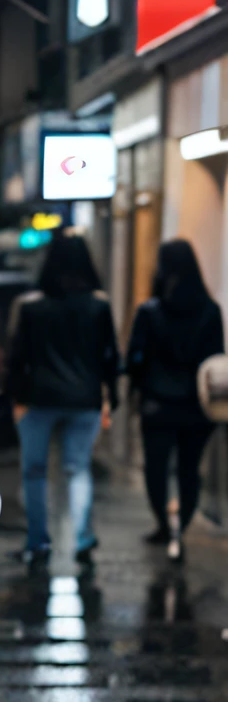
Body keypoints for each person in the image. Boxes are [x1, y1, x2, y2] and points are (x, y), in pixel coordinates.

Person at [6, 232, 120, 567]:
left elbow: (18, 357)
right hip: (84, 398)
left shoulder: (32, 308)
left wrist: (14, 399)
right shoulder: (99, 306)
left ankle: (38, 542)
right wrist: (109, 396)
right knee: (78, 469)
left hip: (37, 397)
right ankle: (82, 537)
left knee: (34, 472)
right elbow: (109, 357)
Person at [127, 237, 225, 562]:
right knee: (189, 468)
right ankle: (181, 527)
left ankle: (162, 524)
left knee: (156, 468)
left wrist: (135, 390)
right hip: (196, 406)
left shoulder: (150, 311)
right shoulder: (210, 311)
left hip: (158, 403)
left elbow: (136, 358)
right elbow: (215, 358)